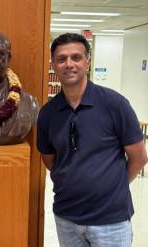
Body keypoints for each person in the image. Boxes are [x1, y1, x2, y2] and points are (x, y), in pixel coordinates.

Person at [37, 33, 148, 247]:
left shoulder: (115, 104)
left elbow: (139, 158)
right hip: (67, 218)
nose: (69, 64)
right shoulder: (48, 113)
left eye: (76, 57)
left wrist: (113, 186)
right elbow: (50, 160)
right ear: (53, 64)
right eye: (61, 59)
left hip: (111, 221)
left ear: (87, 61)